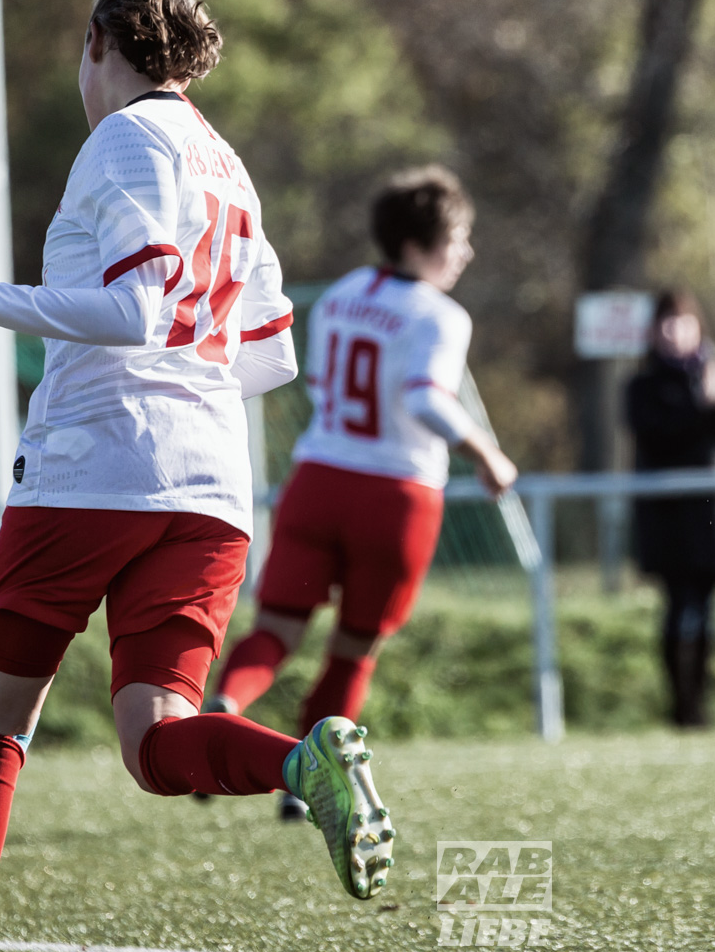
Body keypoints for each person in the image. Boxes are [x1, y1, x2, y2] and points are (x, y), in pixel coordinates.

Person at [0, 0, 395, 952]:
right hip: (211, 484)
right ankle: (303, 761)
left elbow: (134, 308)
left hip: (95, 467)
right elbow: (271, 354)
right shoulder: (228, 164)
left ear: (97, 43)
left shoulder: (122, 140)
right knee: (155, 741)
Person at [206, 166, 517, 818]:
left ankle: (225, 711)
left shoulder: (345, 293)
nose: (464, 252)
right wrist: (484, 451)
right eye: (455, 239)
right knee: (352, 648)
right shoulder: (440, 314)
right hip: (394, 495)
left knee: (276, 630)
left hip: (317, 479)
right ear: (414, 245)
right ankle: (308, 787)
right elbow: (424, 397)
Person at [625, 290, 715, 728]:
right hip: (667, 516)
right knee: (677, 606)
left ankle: (699, 706)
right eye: (666, 323)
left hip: (714, 515)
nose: (674, 332)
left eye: (683, 323)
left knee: (705, 609)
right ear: (653, 332)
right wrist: (700, 404)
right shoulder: (642, 386)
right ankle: (680, 706)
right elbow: (656, 434)